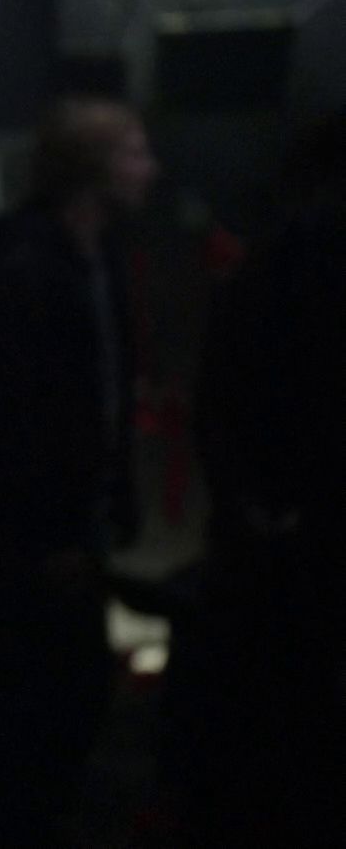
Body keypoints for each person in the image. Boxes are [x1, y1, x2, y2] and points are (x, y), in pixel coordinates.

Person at [0, 95, 159, 847]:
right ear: (92, 169)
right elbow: (8, 416)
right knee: (40, 709)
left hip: (66, 526)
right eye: (134, 152)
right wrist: (47, 532)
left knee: (62, 701)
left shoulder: (89, 259)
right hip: (37, 536)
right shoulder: (30, 266)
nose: (149, 169)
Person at [169, 112, 346, 844]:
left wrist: (251, 507)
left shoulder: (261, 273)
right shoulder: (293, 270)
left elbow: (217, 410)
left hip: (265, 549)